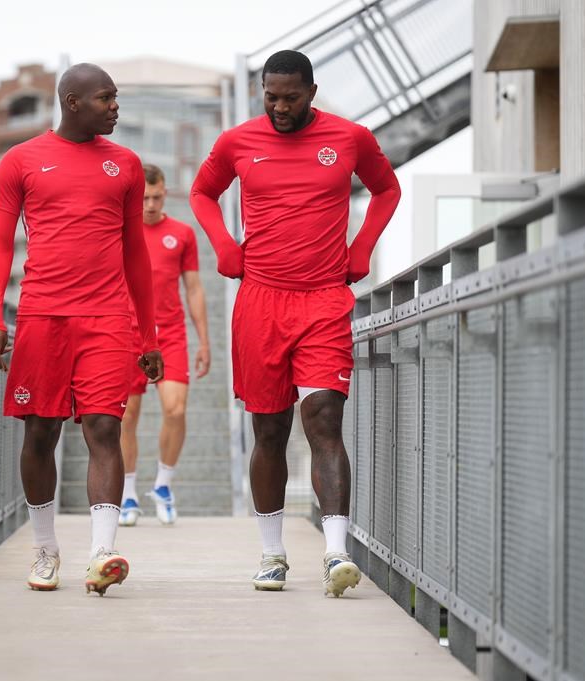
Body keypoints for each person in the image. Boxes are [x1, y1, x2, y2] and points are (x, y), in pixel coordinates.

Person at [189, 49, 400, 596]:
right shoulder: (238, 142)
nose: (280, 107)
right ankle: (272, 553)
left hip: (324, 299)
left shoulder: (349, 138)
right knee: (270, 430)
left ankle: (334, 554)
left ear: (311, 91)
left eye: (291, 97)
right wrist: (225, 246)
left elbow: (387, 189)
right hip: (260, 301)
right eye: (271, 97)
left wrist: (361, 248)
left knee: (324, 419)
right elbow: (202, 192)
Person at [0, 63, 163, 596]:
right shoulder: (20, 161)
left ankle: (102, 552)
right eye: (106, 98)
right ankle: (44, 547)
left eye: (116, 98)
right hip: (42, 315)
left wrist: (148, 336)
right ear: (72, 102)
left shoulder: (126, 165)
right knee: (40, 433)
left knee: (104, 429)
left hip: (108, 318)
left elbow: (136, 255)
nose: (115, 107)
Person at [118, 164, 211, 527]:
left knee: (175, 409)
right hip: (127, 332)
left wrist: (204, 341)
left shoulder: (182, 233)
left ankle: (162, 485)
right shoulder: (121, 230)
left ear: (165, 193)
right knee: (126, 414)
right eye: (145, 198)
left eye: (157, 197)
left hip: (170, 332)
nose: (152, 204)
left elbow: (194, 288)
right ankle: (127, 493)